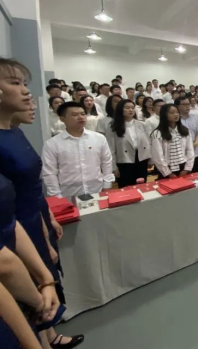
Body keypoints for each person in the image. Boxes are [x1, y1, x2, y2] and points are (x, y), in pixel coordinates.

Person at [0, 60, 83, 349]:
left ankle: (50, 335)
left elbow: (31, 185)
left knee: (45, 283)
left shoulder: (14, 130)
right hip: (17, 226)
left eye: (25, 84)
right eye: (15, 83)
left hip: (33, 218)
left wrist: (48, 217)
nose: (26, 92)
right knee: (29, 297)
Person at [42, 102, 115, 198]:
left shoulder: (99, 138)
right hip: (67, 194)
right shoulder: (52, 144)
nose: (80, 117)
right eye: (75, 115)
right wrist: (56, 196)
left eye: (83, 114)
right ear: (62, 119)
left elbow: (106, 162)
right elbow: (49, 173)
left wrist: (107, 185)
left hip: (97, 190)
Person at [106, 99, 151, 188]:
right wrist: (114, 167)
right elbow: (111, 149)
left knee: (142, 186)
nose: (131, 110)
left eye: (132, 108)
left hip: (141, 159)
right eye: (127, 108)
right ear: (120, 109)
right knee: (127, 187)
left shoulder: (142, 124)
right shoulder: (113, 127)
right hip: (124, 161)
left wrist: (150, 158)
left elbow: (148, 142)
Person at [151, 104, 195, 179]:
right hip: (167, 169)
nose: (176, 114)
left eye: (177, 112)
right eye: (172, 112)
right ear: (164, 115)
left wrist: (186, 169)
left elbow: (190, 150)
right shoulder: (157, 133)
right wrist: (169, 173)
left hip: (183, 167)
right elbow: (158, 157)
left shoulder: (184, 130)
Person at [176, 97, 198, 172]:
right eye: (184, 104)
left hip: (194, 152)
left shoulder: (194, 117)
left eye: (188, 104)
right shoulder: (174, 120)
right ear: (177, 106)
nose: (187, 106)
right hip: (180, 155)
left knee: (195, 175)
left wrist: (195, 143)